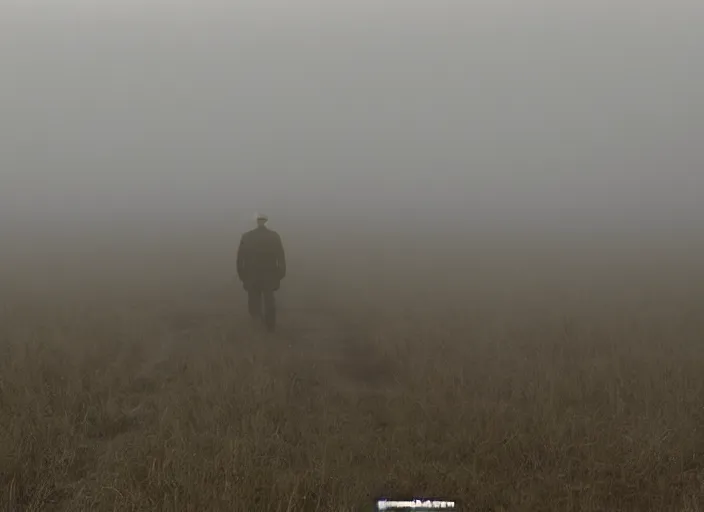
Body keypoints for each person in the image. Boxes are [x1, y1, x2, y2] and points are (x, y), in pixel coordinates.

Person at [236, 213, 286, 331]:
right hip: (269, 275)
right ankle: (270, 327)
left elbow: (240, 259)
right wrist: (280, 274)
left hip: (252, 275)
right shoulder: (274, 236)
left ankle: (257, 325)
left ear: (257, 222)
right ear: (266, 221)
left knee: (253, 301)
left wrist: (242, 275)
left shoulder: (247, 237)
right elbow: (281, 257)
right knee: (269, 301)